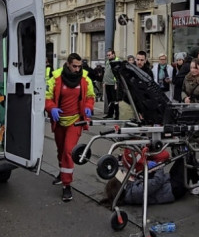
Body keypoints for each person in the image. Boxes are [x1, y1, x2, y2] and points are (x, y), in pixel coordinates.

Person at [45, 53, 96, 202]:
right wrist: (51, 108)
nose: (77, 69)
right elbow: (47, 97)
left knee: (68, 151)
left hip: (76, 121)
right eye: (74, 66)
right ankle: (62, 173)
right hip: (59, 120)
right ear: (67, 64)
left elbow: (90, 96)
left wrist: (88, 107)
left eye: (79, 66)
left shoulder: (85, 79)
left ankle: (67, 185)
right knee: (61, 150)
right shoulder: (56, 78)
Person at [103, 153, 189, 206]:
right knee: (187, 158)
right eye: (123, 173)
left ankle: (196, 181)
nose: (125, 173)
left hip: (169, 183)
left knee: (183, 157)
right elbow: (157, 182)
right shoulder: (135, 192)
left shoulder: (131, 189)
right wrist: (159, 166)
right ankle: (197, 184)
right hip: (173, 189)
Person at [103, 49, 120, 119]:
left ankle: (117, 115)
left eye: (109, 55)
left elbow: (118, 74)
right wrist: (104, 82)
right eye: (107, 55)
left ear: (113, 54)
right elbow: (106, 72)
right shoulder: (108, 62)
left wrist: (116, 83)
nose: (108, 56)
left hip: (113, 84)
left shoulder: (117, 61)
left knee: (115, 100)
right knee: (109, 100)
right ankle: (110, 114)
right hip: (107, 83)